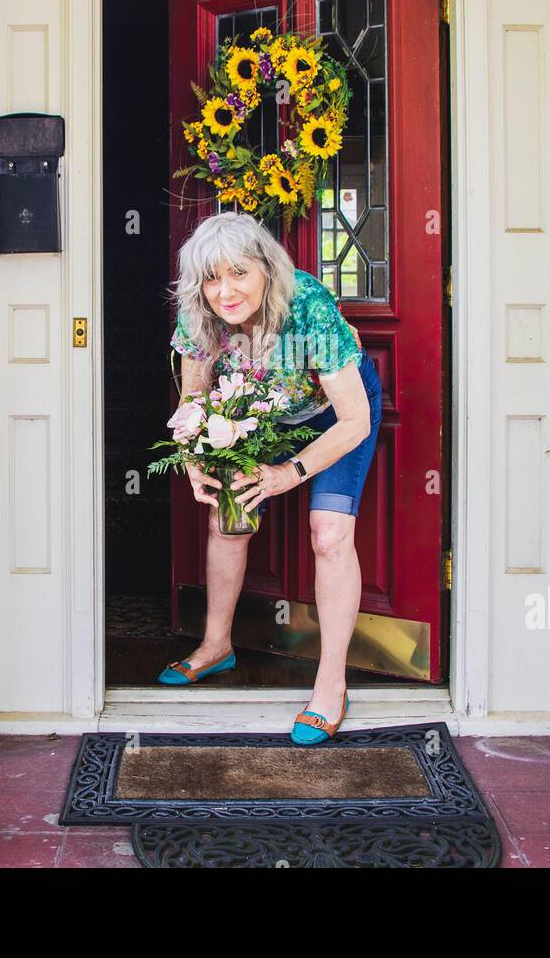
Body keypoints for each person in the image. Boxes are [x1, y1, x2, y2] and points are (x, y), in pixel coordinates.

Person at [160, 211, 383, 744]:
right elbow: (193, 398)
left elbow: (355, 420)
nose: (224, 291)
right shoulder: (200, 311)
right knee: (228, 518)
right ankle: (216, 646)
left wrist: (290, 472)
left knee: (329, 533)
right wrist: (193, 458)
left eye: (238, 273)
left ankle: (331, 682)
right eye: (211, 277)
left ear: (265, 268)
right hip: (256, 410)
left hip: (332, 413)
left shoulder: (306, 305)